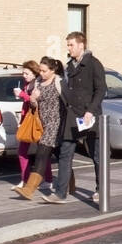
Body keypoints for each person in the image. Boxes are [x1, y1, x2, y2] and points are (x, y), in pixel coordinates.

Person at [49, 31, 107, 205]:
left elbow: (101, 90)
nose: (68, 48)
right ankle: (60, 194)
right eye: (67, 45)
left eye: (71, 45)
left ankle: (101, 189)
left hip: (90, 116)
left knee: (96, 155)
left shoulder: (94, 64)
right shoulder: (70, 66)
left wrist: (91, 111)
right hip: (73, 117)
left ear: (81, 45)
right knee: (65, 154)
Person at [14, 57, 65, 200]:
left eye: (44, 71)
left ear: (52, 70)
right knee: (61, 155)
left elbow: (68, 102)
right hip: (41, 123)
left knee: (42, 154)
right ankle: (69, 183)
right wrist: (33, 99)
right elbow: (33, 106)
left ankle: (29, 189)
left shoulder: (59, 82)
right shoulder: (38, 82)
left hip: (56, 123)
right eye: (40, 70)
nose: (41, 73)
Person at [13, 61, 53, 188]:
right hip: (27, 121)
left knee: (42, 152)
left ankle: (48, 180)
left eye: (27, 73)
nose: (24, 75)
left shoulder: (38, 84)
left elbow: (36, 102)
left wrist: (22, 95)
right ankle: (24, 179)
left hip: (38, 121)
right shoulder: (26, 84)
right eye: (23, 73)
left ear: (34, 73)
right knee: (22, 151)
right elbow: (26, 105)